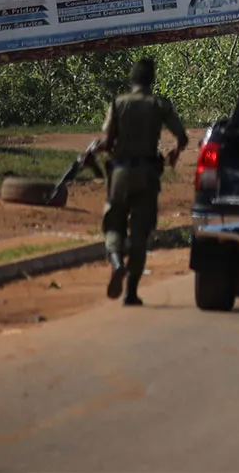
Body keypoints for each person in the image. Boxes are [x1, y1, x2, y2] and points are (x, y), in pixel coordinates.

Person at [97, 57, 189, 306]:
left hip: (120, 174)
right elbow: (182, 136)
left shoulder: (119, 103)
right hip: (148, 175)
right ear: (152, 80)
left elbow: (107, 139)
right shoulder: (159, 105)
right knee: (140, 232)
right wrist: (173, 152)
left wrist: (96, 151)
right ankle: (131, 292)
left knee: (114, 223)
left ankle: (116, 261)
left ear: (132, 79)